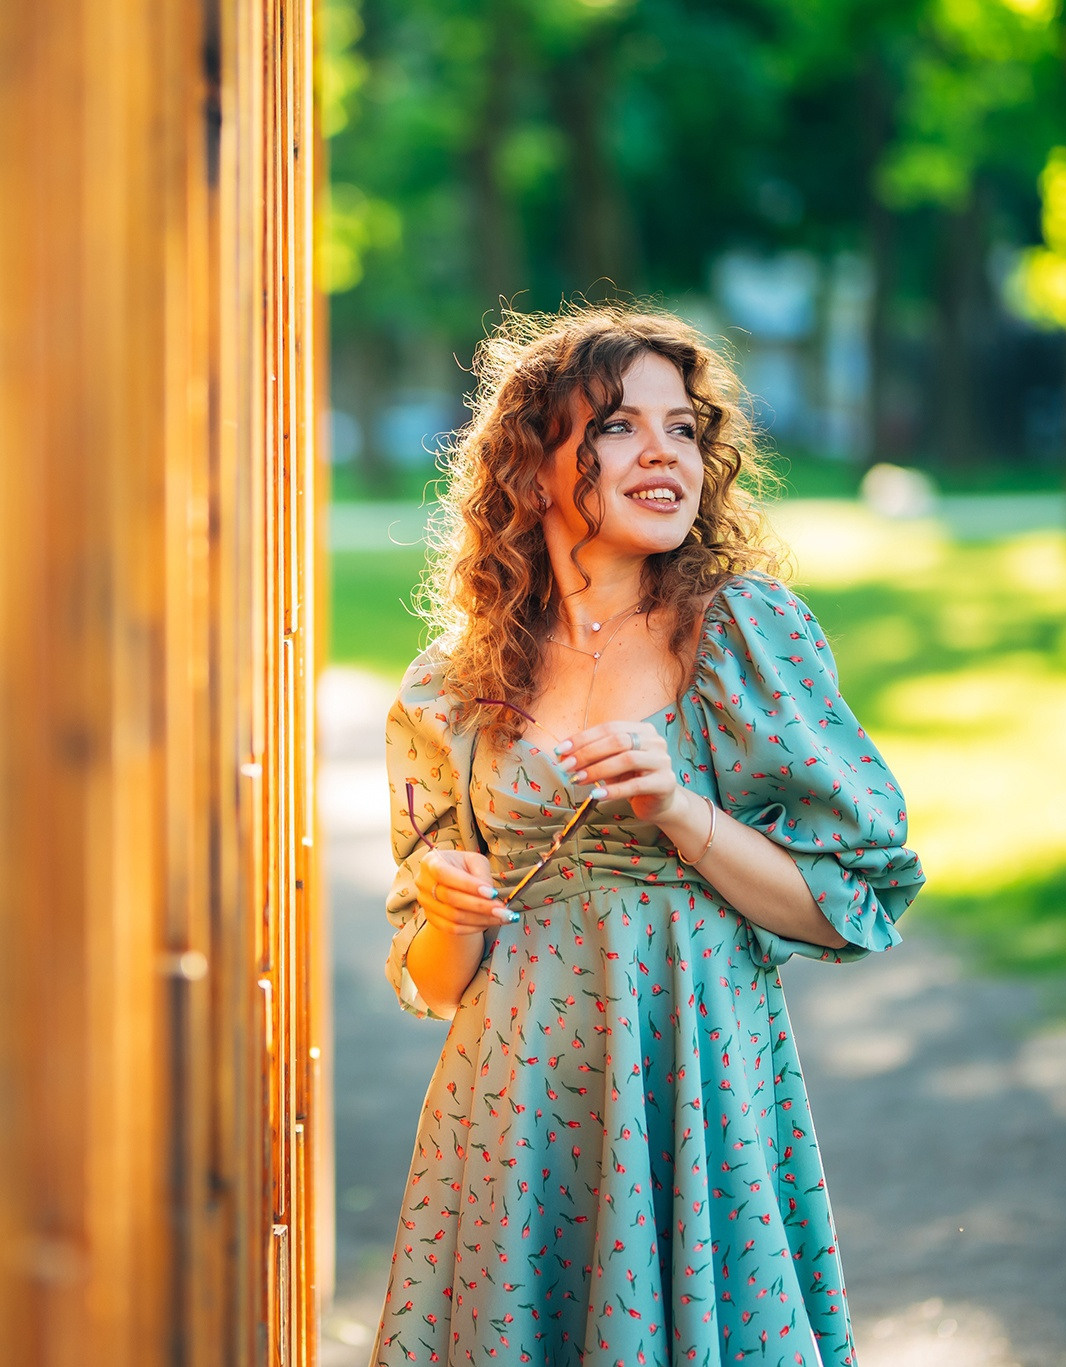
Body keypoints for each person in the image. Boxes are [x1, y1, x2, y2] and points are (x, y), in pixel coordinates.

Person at [373, 305, 924, 1367]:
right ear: (532, 470)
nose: (664, 451)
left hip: (694, 1078)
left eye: (683, 427)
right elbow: (437, 981)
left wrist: (680, 808)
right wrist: (448, 908)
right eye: (619, 426)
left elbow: (850, 900)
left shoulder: (740, 634)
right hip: (515, 1106)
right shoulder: (447, 687)